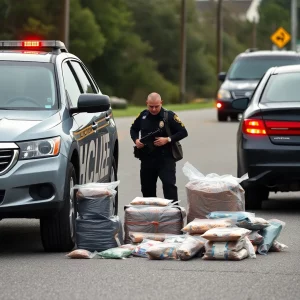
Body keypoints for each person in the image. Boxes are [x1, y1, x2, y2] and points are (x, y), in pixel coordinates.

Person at [130, 92, 188, 202]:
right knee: (147, 190)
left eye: (156, 106)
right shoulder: (143, 116)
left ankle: (173, 215)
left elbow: (183, 132)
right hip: (147, 159)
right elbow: (133, 129)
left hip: (165, 158)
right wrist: (136, 140)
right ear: (147, 103)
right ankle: (151, 215)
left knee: (169, 187)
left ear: (161, 103)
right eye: (151, 106)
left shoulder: (169, 116)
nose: (154, 109)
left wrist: (167, 139)